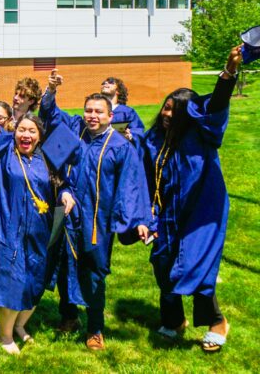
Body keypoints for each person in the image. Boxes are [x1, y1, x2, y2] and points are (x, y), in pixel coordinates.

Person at [0, 61, 77, 353]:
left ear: (39, 136)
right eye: (22, 130)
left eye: (32, 131)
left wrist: (65, 192)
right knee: (12, 280)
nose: (26, 134)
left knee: (35, 281)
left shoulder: (46, 159)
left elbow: (60, 182)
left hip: (37, 232)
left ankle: (19, 324)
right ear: (15, 133)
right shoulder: (4, 151)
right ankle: (4, 335)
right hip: (8, 227)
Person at [40, 68, 152, 351]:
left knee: (94, 272)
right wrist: (51, 90)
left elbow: (132, 185)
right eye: (89, 110)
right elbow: (50, 115)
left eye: (99, 112)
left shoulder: (120, 146)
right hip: (67, 211)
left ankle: (95, 328)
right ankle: (68, 316)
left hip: (97, 219)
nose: (92, 116)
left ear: (110, 115)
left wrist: (139, 220)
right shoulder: (76, 132)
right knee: (64, 264)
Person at [141, 46, 240, 353]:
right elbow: (146, 179)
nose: (167, 114)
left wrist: (228, 72)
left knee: (196, 267)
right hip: (167, 213)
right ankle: (173, 321)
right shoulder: (155, 139)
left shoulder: (202, 134)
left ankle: (217, 322)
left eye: (175, 110)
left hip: (200, 211)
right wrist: (148, 216)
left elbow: (217, 105)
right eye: (165, 108)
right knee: (162, 263)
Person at [101, 77, 145, 143]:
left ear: (118, 91)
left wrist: (130, 135)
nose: (106, 83)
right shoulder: (95, 110)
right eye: (104, 83)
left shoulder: (127, 112)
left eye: (111, 83)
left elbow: (137, 129)